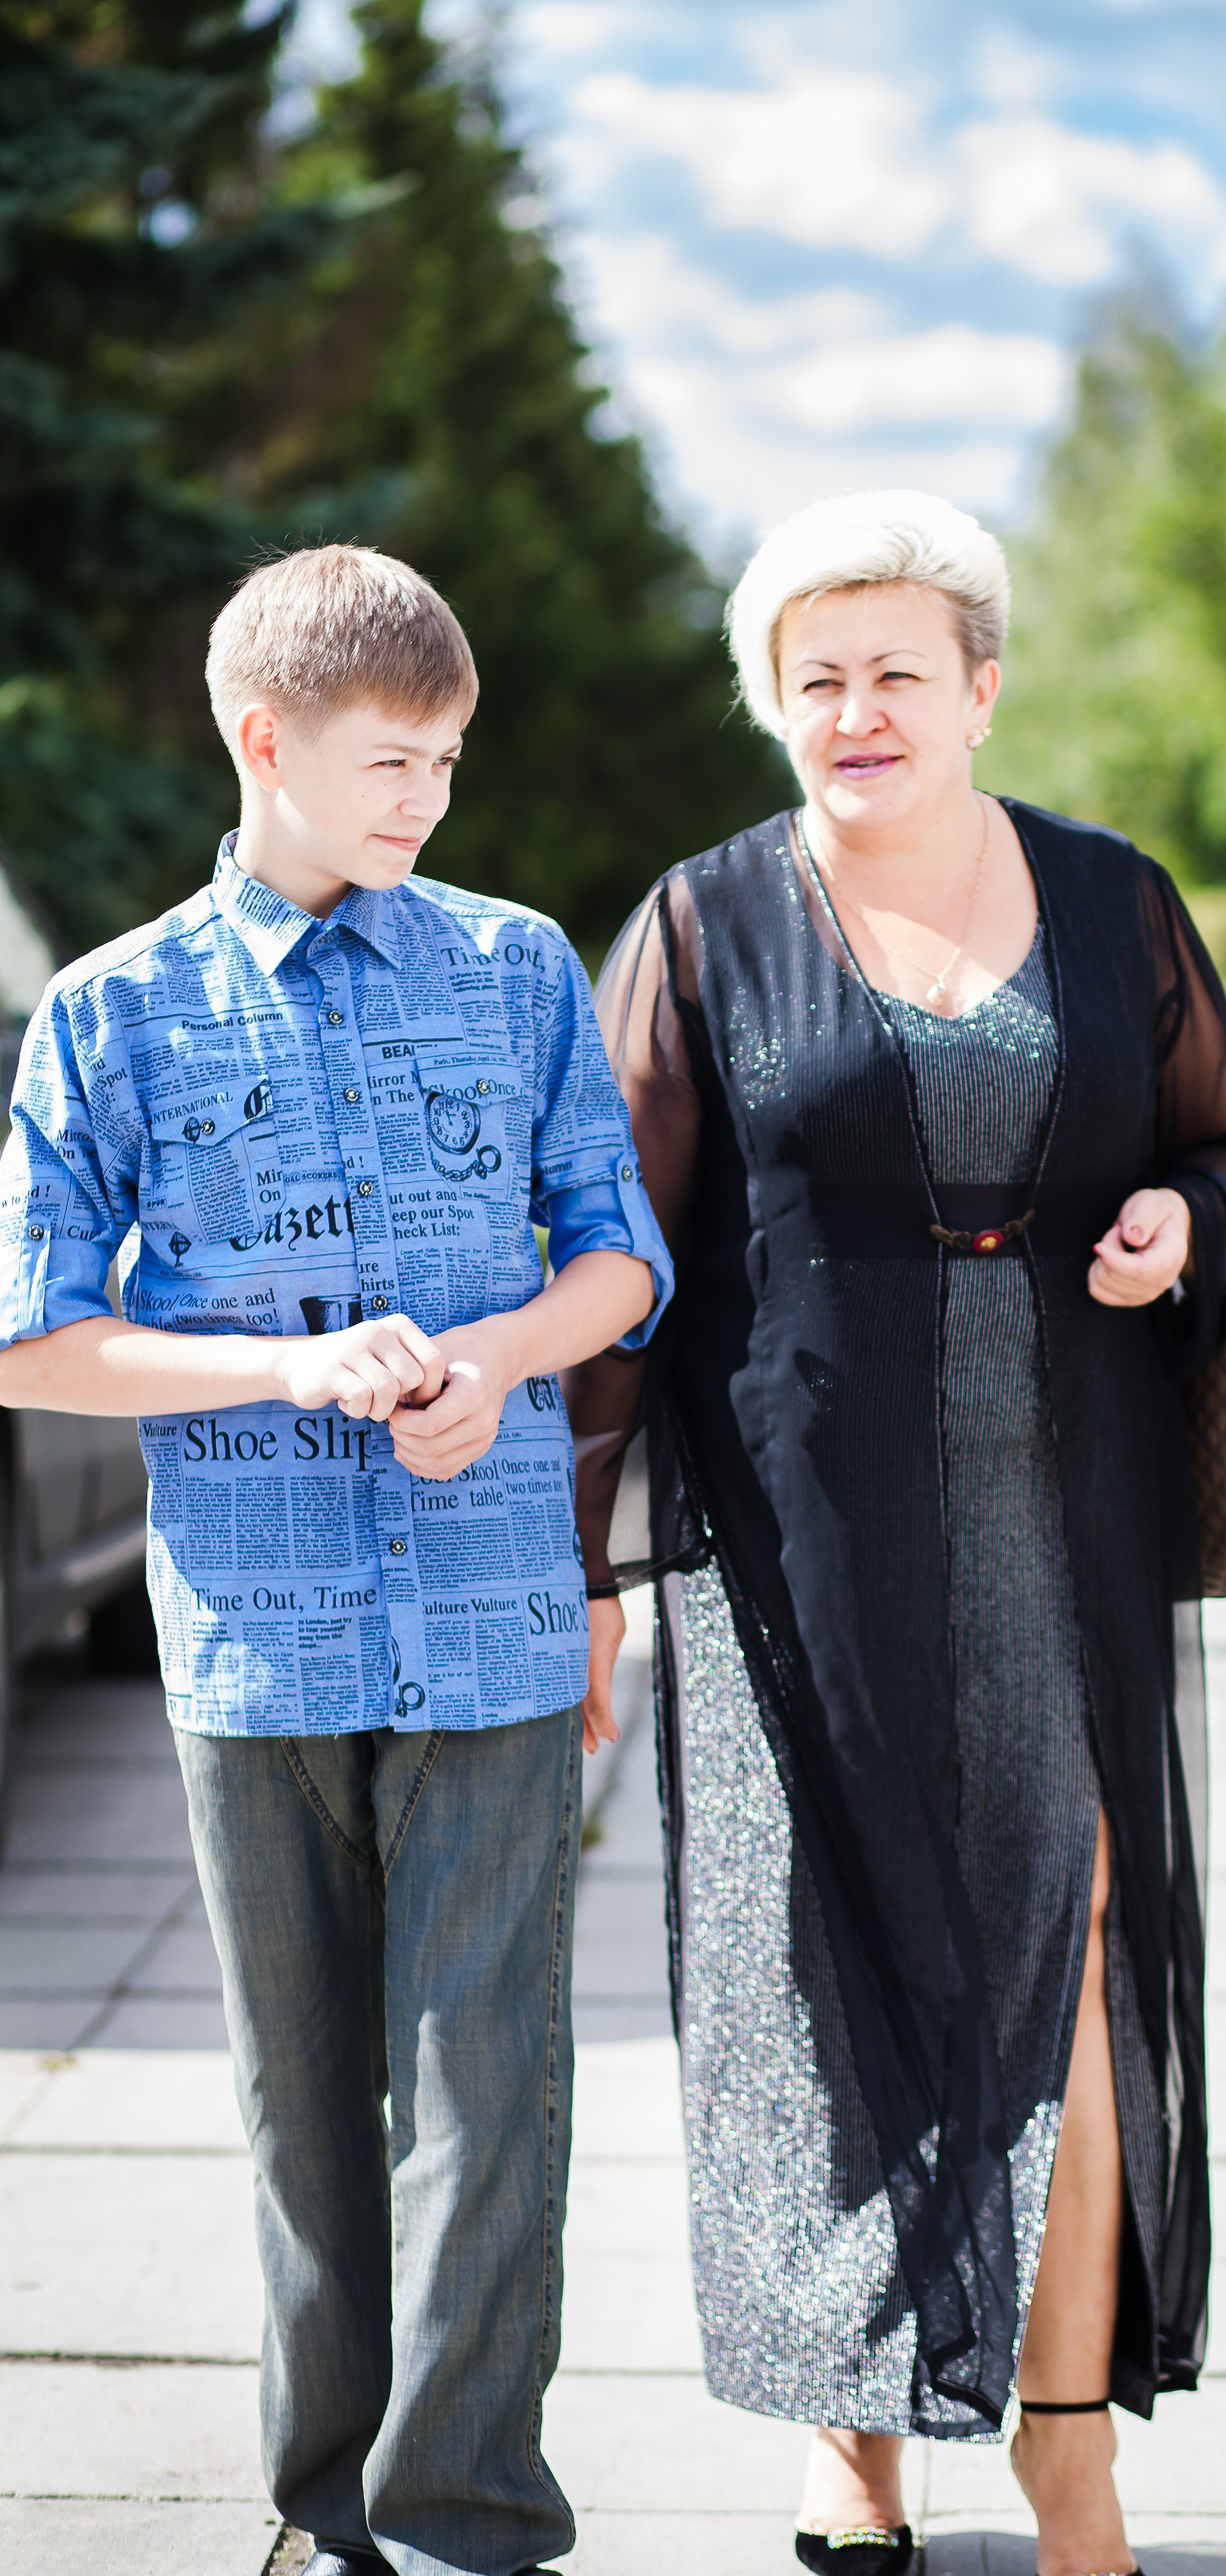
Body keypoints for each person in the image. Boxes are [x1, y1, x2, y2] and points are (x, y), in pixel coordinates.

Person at [569, 490, 1226, 2576]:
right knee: (824, 1976)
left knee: (1065, 1968)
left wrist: (1190, 1218)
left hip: (1063, 1495)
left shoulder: (1109, 897)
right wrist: (589, 1566)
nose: (859, 708)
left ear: (983, 683)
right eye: (817, 679)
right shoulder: (706, 923)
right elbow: (618, 1260)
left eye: (899, 668)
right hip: (793, 1525)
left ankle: (1071, 2451)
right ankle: (855, 2442)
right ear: (773, 707)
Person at [0, 546, 672, 2576]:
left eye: (450, 764)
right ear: (260, 739)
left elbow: (620, 1261)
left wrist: (492, 1356)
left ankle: (466, 2523)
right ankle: (328, 2510)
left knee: (490, 2110)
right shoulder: (111, 1013)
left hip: (490, 1620)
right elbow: (34, 1341)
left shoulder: (519, 966)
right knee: (305, 2120)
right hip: (255, 1644)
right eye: (393, 762)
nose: (425, 805)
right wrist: (290, 1373)